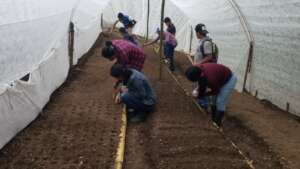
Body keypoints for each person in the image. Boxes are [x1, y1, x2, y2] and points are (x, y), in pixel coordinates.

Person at [185, 63, 237, 127]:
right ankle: (213, 120)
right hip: (219, 78)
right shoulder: (198, 69)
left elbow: (215, 91)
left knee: (220, 101)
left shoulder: (211, 79)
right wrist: (198, 92)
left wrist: (204, 94)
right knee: (213, 101)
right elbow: (201, 84)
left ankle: (217, 123)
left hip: (229, 80)